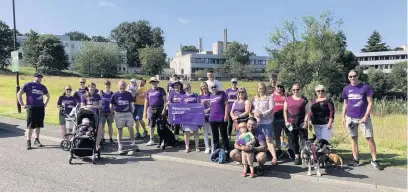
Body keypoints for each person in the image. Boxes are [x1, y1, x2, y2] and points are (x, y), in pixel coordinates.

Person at [342, 70, 382, 170]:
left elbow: (370, 103)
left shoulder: (365, 87)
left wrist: (365, 117)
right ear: (348, 77)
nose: (352, 78)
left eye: (354, 76)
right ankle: (355, 159)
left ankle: (374, 160)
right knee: (353, 138)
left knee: (370, 138)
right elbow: (345, 104)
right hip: (350, 118)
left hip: (363, 118)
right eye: (350, 76)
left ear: (358, 76)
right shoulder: (346, 89)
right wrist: (343, 117)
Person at [17, 73, 50, 150]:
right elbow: (19, 94)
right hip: (31, 107)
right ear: (34, 77)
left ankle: (37, 140)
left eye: (41, 77)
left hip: (40, 107)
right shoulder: (28, 85)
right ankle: (28, 141)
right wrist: (22, 104)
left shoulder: (42, 87)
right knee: (30, 125)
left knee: (38, 125)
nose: (40, 79)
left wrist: (45, 103)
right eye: (38, 77)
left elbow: (48, 96)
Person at [283, 83, 309, 165]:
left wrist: (306, 121)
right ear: (291, 90)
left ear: (300, 89)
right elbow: (285, 111)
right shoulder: (288, 99)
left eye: (297, 89)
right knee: (294, 141)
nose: (295, 91)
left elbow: (308, 111)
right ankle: (297, 156)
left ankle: (304, 156)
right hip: (291, 123)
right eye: (293, 89)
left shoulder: (304, 100)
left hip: (301, 123)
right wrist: (286, 121)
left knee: (304, 140)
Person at [252, 82, 277, 165]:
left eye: (262, 88)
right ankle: (263, 156)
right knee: (260, 140)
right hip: (257, 122)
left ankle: (274, 158)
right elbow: (252, 109)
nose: (261, 90)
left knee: (268, 140)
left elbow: (271, 108)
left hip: (267, 121)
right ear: (257, 89)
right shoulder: (255, 98)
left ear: (265, 89)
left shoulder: (269, 97)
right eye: (259, 89)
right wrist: (254, 112)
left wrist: (262, 114)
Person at [111, 80, 139, 154]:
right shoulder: (115, 94)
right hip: (118, 114)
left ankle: (133, 144)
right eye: (121, 85)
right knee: (120, 130)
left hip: (127, 113)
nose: (122, 86)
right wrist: (112, 112)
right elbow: (112, 104)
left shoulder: (128, 94)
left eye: (123, 85)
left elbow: (130, 103)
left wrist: (131, 112)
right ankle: (120, 146)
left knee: (131, 127)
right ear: (118, 86)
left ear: (126, 86)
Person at [80, 82, 103, 150]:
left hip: (96, 115)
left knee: (99, 130)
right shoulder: (84, 95)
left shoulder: (97, 96)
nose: (91, 88)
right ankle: (81, 134)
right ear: (88, 88)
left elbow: (100, 105)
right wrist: (87, 106)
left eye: (93, 87)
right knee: (85, 123)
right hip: (87, 114)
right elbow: (82, 106)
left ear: (95, 88)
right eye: (90, 87)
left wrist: (93, 106)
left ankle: (96, 145)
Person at [144, 77, 167, 146]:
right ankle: (151, 140)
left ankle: (163, 140)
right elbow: (146, 101)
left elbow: (165, 100)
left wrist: (164, 109)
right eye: (152, 82)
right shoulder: (149, 91)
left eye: (155, 81)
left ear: (157, 82)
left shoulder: (161, 90)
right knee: (151, 125)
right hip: (152, 109)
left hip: (160, 108)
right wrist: (145, 111)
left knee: (161, 125)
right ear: (151, 83)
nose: (154, 83)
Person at [208, 83, 230, 153]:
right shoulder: (211, 95)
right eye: (212, 88)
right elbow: (211, 106)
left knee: (223, 134)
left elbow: (226, 105)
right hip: (212, 118)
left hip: (221, 118)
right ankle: (216, 148)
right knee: (215, 135)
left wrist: (226, 115)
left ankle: (226, 148)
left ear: (217, 87)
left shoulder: (222, 93)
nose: (213, 88)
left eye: (214, 87)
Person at [180, 82, 200, 153]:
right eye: (184, 88)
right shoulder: (183, 97)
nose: (186, 89)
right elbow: (180, 107)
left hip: (194, 116)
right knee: (186, 132)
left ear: (190, 87)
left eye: (187, 88)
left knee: (195, 132)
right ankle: (187, 147)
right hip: (186, 117)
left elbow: (199, 105)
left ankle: (197, 147)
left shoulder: (195, 95)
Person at [271, 84, 288, 158]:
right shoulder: (272, 96)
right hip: (275, 118)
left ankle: (291, 150)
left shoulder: (285, 96)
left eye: (281, 87)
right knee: (276, 135)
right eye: (278, 86)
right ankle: (279, 150)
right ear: (275, 88)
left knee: (289, 134)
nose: (279, 88)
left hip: (284, 118)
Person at [198, 81, 214, 154]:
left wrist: (207, 103)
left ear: (207, 86)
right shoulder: (199, 96)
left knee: (212, 133)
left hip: (211, 115)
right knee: (205, 133)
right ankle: (207, 147)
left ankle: (213, 147)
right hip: (204, 117)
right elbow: (198, 107)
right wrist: (202, 109)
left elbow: (213, 106)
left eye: (205, 86)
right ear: (201, 88)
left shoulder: (211, 95)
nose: (204, 88)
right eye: (202, 86)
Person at [100, 80, 115, 144]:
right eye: (106, 84)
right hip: (102, 111)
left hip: (110, 112)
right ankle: (103, 138)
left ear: (110, 85)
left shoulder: (112, 94)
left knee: (110, 125)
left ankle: (110, 138)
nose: (107, 86)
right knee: (102, 126)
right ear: (104, 85)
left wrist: (113, 111)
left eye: (108, 84)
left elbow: (114, 103)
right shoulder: (101, 93)